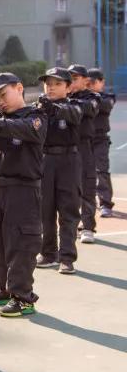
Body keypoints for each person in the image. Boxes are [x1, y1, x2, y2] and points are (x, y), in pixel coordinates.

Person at [0, 73, 45, 318]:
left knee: (21, 244)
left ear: (20, 88)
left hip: (23, 190)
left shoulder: (35, 116)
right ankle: (3, 288)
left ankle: (23, 297)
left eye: (3, 94)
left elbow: (23, 129)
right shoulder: (1, 120)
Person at [33, 68, 82, 275]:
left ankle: (67, 257)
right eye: (48, 83)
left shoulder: (75, 106)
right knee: (45, 209)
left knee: (68, 209)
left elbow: (74, 116)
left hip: (68, 161)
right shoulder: (39, 107)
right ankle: (48, 253)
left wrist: (53, 109)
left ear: (68, 87)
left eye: (57, 83)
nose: (51, 87)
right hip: (45, 160)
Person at [68, 64, 101, 244]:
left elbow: (89, 108)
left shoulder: (92, 97)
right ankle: (71, 224)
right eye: (69, 78)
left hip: (84, 147)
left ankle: (88, 226)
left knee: (87, 186)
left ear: (85, 80)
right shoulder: (62, 97)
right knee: (67, 189)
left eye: (75, 78)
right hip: (64, 147)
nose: (71, 82)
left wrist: (67, 102)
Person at [89, 68, 115, 218]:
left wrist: (91, 97)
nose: (90, 85)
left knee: (102, 170)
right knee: (83, 173)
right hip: (84, 140)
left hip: (100, 139)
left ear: (102, 82)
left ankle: (105, 203)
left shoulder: (107, 97)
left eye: (93, 82)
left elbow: (104, 106)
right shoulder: (81, 98)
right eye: (88, 82)